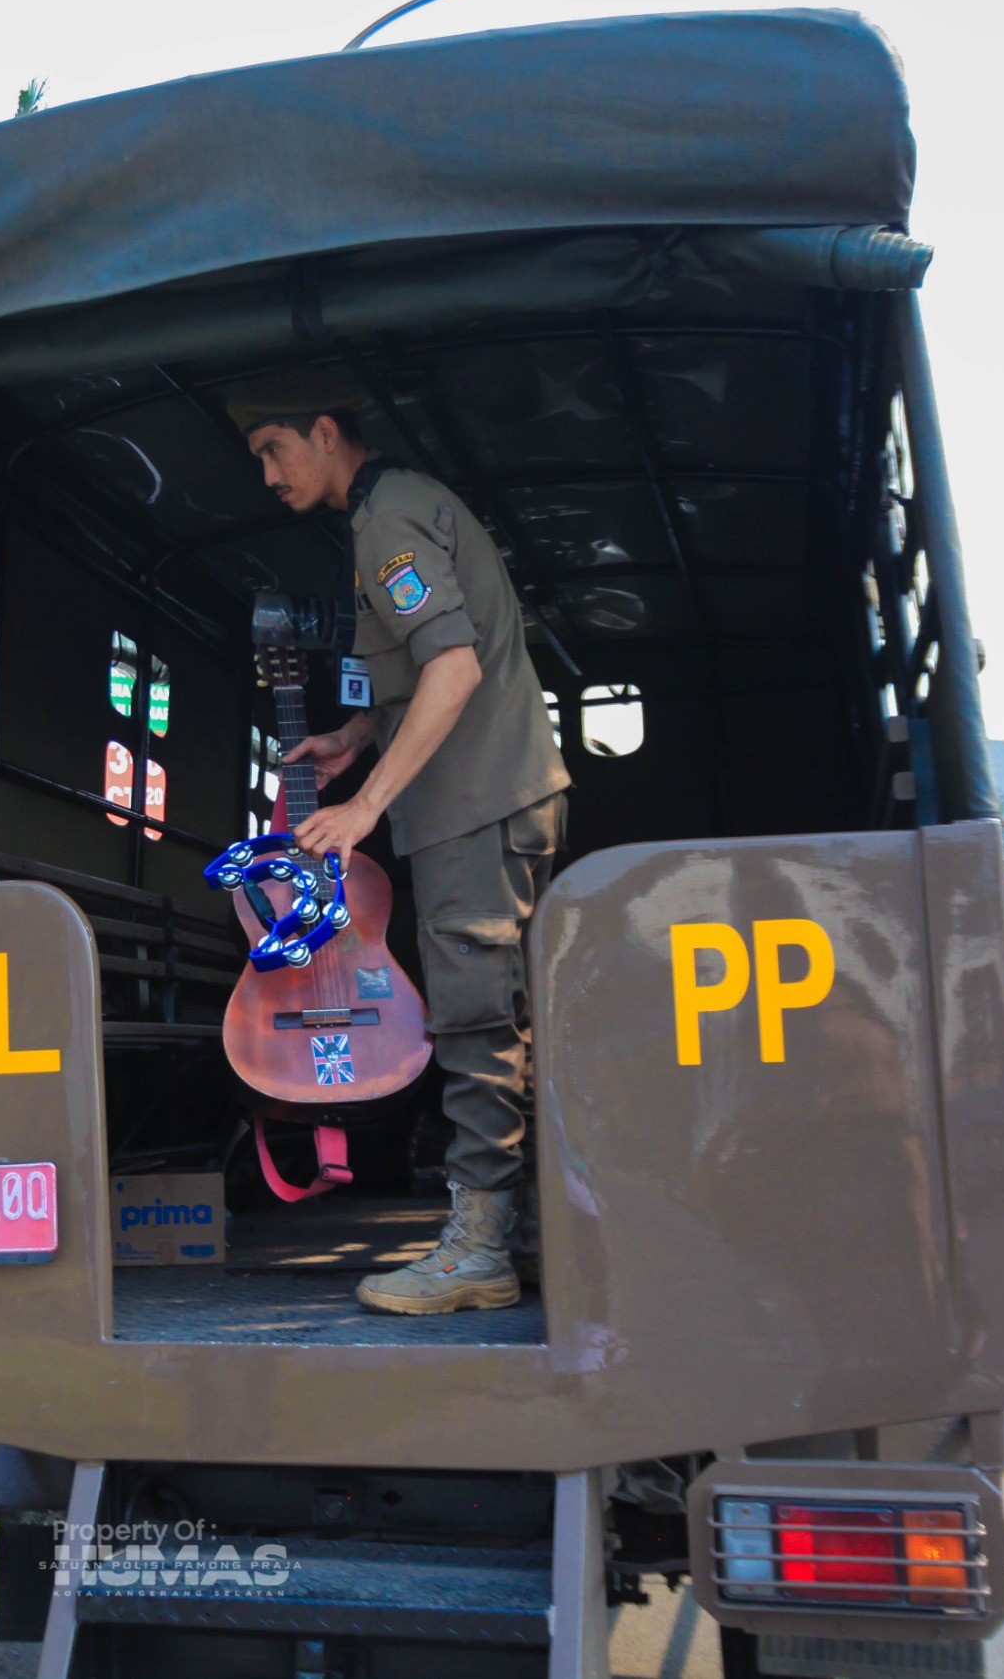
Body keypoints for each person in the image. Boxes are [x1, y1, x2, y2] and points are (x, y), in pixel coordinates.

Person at [228, 367, 571, 1316]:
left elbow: (455, 668)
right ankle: (527, 1233)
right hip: (489, 799)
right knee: (504, 1017)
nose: (268, 476)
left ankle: (479, 1250)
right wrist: (356, 735)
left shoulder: (388, 522)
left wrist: (364, 806)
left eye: (274, 450)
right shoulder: (394, 509)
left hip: (474, 803)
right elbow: (432, 668)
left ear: (324, 432)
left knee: (474, 1022)